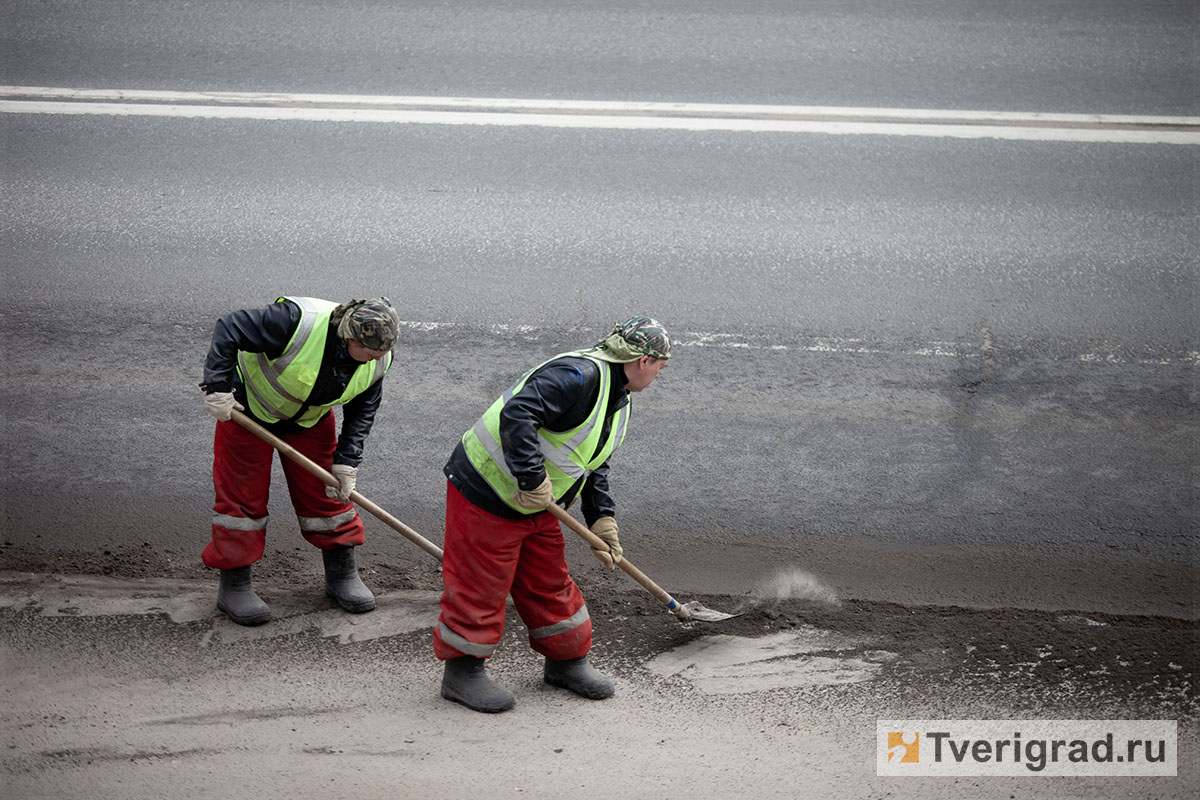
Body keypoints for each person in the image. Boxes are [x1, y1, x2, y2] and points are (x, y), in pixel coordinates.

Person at [434, 316, 671, 712]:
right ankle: (462, 674)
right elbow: (517, 414)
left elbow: (590, 462)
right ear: (644, 361)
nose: (659, 376)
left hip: (537, 503)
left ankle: (566, 662)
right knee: (481, 582)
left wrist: (602, 520)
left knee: (548, 580)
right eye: (661, 368)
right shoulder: (577, 376)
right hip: (487, 490)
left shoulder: (619, 397)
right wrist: (531, 479)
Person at [199, 295, 400, 626]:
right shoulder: (294, 322)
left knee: (329, 494)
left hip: (310, 419)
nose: (373, 361)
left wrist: (347, 461)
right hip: (249, 409)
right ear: (350, 337)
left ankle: (341, 575)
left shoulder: (379, 356)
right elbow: (229, 327)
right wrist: (218, 386)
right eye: (367, 354)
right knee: (241, 501)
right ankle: (234, 585)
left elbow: (363, 409)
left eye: (379, 355)